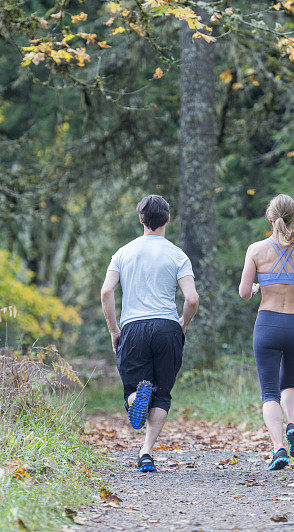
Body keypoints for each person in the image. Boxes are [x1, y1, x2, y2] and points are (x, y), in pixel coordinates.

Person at [100, 194, 199, 473]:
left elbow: (106, 291)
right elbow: (191, 298)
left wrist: (113, 330)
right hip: (167, 326)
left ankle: (135, 401)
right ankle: (146, 452)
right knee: (163, 392)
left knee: (133, 387)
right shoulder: (177, 254)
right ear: (168, 219)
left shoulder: (123, 253)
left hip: (133, 327)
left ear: (141, 219)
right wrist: (183, 323)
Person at [238, 194, 294, 470]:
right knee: (289, 384)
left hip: (267, 325)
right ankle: (293, 424)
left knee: (269, 393)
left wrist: (254, 290)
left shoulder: (255, 250)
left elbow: (244, 293)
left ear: (269, 218)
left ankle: (278, 449)